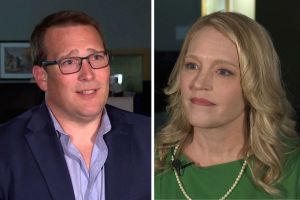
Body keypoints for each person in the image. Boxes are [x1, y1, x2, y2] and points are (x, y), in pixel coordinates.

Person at [0, 10, 150, 200]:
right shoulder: (5, 148)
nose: (88, 74)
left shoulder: (149, 138)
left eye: (96, 57)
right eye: (69, 62)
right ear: (42, 77)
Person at [155, 11, 300, 199]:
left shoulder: (293, 170)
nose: (199, 83)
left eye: (223, 71)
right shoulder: (151, 160)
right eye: (192, 65)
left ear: (255, 84)